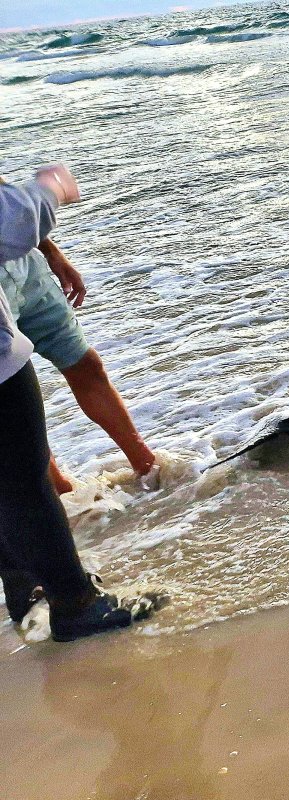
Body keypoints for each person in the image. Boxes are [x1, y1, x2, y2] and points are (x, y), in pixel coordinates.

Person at [0, 165, 153, 641]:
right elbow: (13, 216)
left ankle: (27, 587)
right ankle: (75, 604)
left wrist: (48, 248)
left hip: (16, 269)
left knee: (11, 476)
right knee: (22, 479)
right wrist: (53, 184)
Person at [0, 186, 156, 493]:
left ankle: (149, 470)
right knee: (17, 396)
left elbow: (7, 202)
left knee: (86, 364)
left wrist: (51, 251)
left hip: (26, 269)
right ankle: (61, 496)